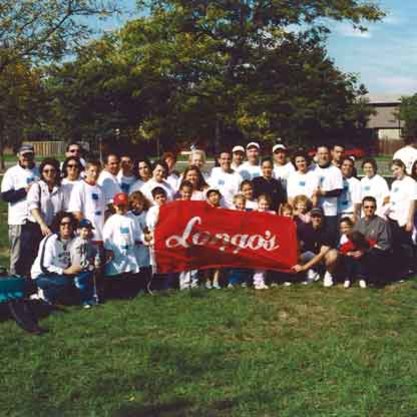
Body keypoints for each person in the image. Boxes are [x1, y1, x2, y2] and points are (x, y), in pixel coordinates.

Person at [31, 212, 94, 306]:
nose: (66, 226)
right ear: (58, 225)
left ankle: (59, 297)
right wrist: (65, 271)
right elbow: (44, 266)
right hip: (42, 275)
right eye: (63, 224)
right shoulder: (50, 240)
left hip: (62, 274)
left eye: (69, 224)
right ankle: (42, 294)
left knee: (77, 284)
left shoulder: (75, 240)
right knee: (65, 284)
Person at [1, 144, 39, 277]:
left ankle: (32, 280)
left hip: (36, 219)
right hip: (18, 220)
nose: (27, 158)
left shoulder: (39, 171)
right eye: (24, 155)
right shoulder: (12, 172)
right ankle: (14, 279)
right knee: (17, 253)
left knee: (35, 253)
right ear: (18, 156)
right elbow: (5, 196)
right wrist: (25, 190)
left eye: (30, 155)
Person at [26, 158, 66, 272]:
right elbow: (33, 207)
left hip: (52, 227)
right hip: (35, 227)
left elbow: (62, 209)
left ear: (57, 172)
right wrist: (42, 224)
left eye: (52, 170)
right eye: (46, 171)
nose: (49, 173)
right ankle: (31, 281)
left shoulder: (61, 189)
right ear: (42, 173)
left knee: (51, 257)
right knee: (33, 257)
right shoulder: (37, 186)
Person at [102, 192, 143, 298]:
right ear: (115, 206)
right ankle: (114, 294)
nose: (121, 208)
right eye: (119, 206)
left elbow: (138, 234)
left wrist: (144, 238)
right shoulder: (112, 220)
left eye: (124, 206)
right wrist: (108, 249)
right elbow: (106, 237)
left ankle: (129, 293)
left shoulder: (131, 218)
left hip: (129, 251)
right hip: (116, 251)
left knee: (129, 271)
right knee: (115, 272)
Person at [292, 207, 339, 287]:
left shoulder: (328, 231)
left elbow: (321, 254)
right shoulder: (303, 228)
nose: (316, 219)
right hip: (306, 254)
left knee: (333, 254)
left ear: (323, 217)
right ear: (310, 217)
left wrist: (304, 267)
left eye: (319, 216)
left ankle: (328, 274)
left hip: (321, 258)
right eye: (314, 216)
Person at [386, 159, 417, 275]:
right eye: (393, 170)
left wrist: (409, 220)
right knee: (396, 244)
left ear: (403, 167)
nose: (395, 172)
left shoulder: (411, 183)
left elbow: (413, 202)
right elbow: (391, 200)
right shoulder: (395, 183)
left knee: (407, 245)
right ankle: (399, 268)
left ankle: (410, 268)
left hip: (404, 219)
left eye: (397, 169)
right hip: (393, 218)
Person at [353, 196, 392, 284]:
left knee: (372, 254)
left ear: (375, 208)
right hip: (360, 251)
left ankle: (369, 277)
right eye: (366, 207)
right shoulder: (359, 223)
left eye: (372, 207)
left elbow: (384, 245)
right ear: (363, 208)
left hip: (376, 253)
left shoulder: (382, 223)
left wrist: (365, 250)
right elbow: (354, 239)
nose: (369, 209)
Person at [146, 187, 178, 290]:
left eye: (162, 196)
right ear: (154, 199)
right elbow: (152, 225)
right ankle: (154, 286)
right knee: (157, 264)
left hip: (169, 239)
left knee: (169, 262)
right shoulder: (152, 210)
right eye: (158, 197)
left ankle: (168, 285)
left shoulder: (171, 208)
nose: (161, 199)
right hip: (157, 239)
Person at [68, 160, 106, 245]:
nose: (95, 174)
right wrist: (87, 230)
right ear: (86, 171)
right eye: (92, 171)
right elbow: (76, 212)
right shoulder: (79, 187)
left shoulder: (101, 189)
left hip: (100, 236)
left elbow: (104, 212)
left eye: (97, 171)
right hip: (86, 236)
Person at [312, 145, 343, 241]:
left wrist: (323, 193)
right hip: (315, 210)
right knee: (315, 237)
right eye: (321, 153)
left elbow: (338, 191)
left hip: (330, 211)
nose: (323, 156)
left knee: (329, 237)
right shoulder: (312, 169)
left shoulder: (335, 171)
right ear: (317, 155)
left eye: (325, 153)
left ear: (329, 155)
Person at [69, 218, 98, 307]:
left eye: (89, 230)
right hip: (80, 269)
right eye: (85, 230)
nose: (87, 233)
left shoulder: (89, 241)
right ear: (78, 231)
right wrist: (85, 266)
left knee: (89, 284)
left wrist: (96, 261)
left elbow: (94, 252)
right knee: (81, 285)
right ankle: (83, 301)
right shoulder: (76, 243)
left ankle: (90, 299)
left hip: (88, 268)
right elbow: (77, 258)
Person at [127, 191, 152, 292]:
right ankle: (135, 288)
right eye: (134, 203)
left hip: (144, 245)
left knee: (145, 265)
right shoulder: (128, 216)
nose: (137, 206)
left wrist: (147, 236)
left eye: (139, 203)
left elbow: (148, 229)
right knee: (135, 266)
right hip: (133, 245)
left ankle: (146, 287)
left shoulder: (146, 214)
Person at [252, 194, 275, 290]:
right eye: (262, 204)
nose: (264, 206)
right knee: (259, 262)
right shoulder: (254, 213)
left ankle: (263, 280)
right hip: (257, 239)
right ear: (258, 204)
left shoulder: (272, 213)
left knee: (266, 261)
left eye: (266, 204)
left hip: (267, 239)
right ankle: (257, 281)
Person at [338, 157, 362, 222]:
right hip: (337, 214)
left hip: (350, 214)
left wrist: (355, 216)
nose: (347, 167)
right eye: (345, 165)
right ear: (341, 166)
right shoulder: (336, 180)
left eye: (350, 166)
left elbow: (358, 201)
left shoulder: (357, 182)